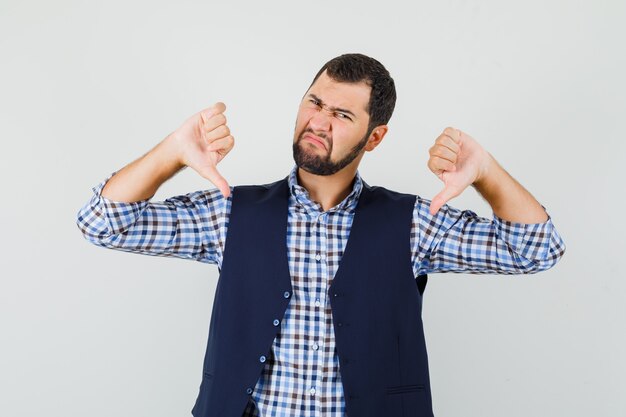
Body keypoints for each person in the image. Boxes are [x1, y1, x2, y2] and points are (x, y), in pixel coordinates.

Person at [76, 53, 566, 417]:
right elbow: (102, 223)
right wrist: (170, 153)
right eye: (315, 102)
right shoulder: (230, 213)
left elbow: (536, 250)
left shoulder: (415, 223)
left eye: (342, 115)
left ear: (374, 137)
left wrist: (486, 172)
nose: (318, 122)